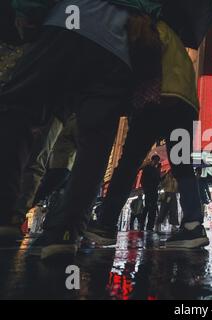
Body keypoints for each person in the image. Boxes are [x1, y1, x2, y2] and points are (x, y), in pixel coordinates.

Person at [0, 0, 159, 259]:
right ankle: (65, 232)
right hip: (118, 52)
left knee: (18, 110)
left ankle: (5, 211)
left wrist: (28, 11)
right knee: (95, 144)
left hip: (66, 29)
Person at [84, 16, 209, 249]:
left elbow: (144, 60)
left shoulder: (150, 26)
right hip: (186, 106)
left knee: (129, 162)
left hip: (155, 102)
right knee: (182, 165)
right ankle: (193, 226)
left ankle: (106, 223)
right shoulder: (177, 42)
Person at [140, 155, 162, 231]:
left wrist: (159, 171)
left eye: (158, 160)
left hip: (154, 191)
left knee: (153, 208)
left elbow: (159, 180)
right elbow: (142, 180)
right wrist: (145, 189)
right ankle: (142, 224)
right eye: (155, 160)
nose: (157, 162)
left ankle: (150, 226)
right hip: (149, 190)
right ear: (152, 160)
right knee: (147, 207)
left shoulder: (157, 170)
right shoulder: (147, 168)